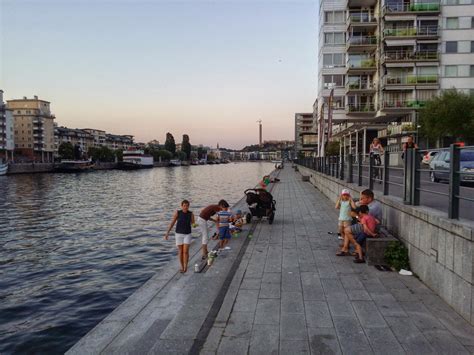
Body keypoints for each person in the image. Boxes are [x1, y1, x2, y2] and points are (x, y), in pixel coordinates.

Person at [338, 189, 382, 256]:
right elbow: (356, 205)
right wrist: (358, 207)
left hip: (371, 228)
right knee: (348, 225)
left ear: (369, 198)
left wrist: (356, 216)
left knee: (347, 230)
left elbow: (362, 217)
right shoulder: (368, 203)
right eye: (361, 198)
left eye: (363, 198)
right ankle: (345, 247)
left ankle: (356, 247)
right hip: (365, 224)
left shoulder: (374, 207)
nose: (361, 199)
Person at [164, 200, 195, 273]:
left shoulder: (191, 214)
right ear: (181, 206)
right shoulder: (178, 213)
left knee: (186, 251)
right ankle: (181, 266)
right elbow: (172, 223)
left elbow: (193, 224)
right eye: (184, 205)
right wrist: (167, 233)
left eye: (187, 206)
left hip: (187, 234)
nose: (185, 207)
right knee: (180, 251)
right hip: (178, 234)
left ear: (188, 206)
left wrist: (195, 225)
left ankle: (185, 266)